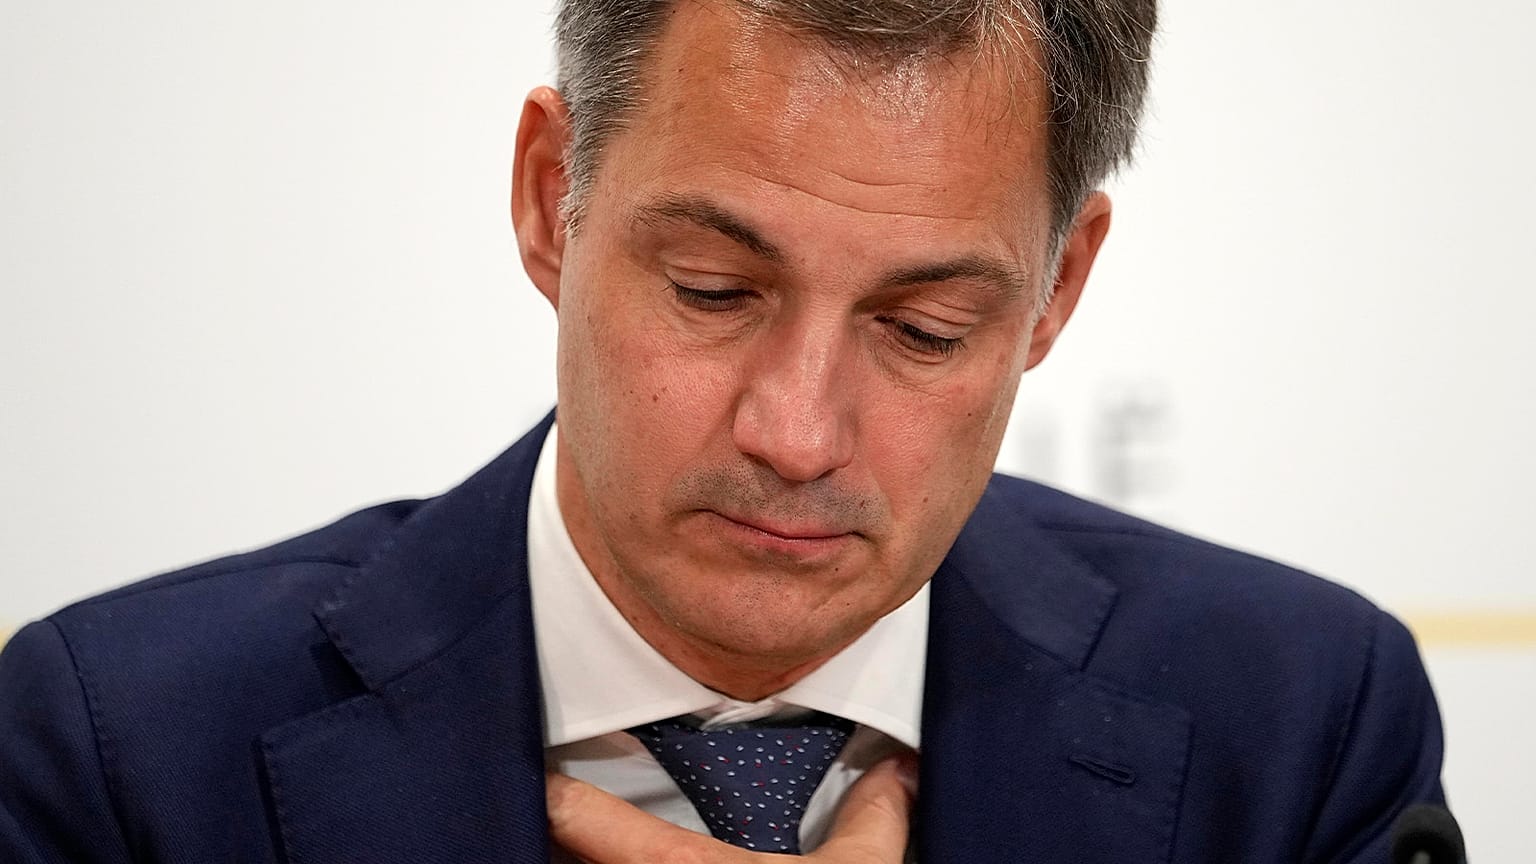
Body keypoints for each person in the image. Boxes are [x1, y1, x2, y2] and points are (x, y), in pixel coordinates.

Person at [0, 1, 1449, 862]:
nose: (798, 434)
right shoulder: (120, 750)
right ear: (551, 196)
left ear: (1057, 291)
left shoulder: (1302, 724)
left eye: (923, 328)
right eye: (712, 289)